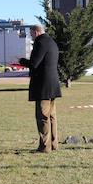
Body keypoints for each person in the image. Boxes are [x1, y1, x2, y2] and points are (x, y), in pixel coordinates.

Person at [19, 24, 62, 153]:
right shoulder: (52, 42)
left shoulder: (41, 43)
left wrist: (21, 61)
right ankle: (54, 144)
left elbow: (34, 64)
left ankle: (44, 147)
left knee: (42, 116)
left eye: (31, 34)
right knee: (52, 116)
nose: (31, 37)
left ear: (36, 32)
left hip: (43, 86)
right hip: (53, 85)